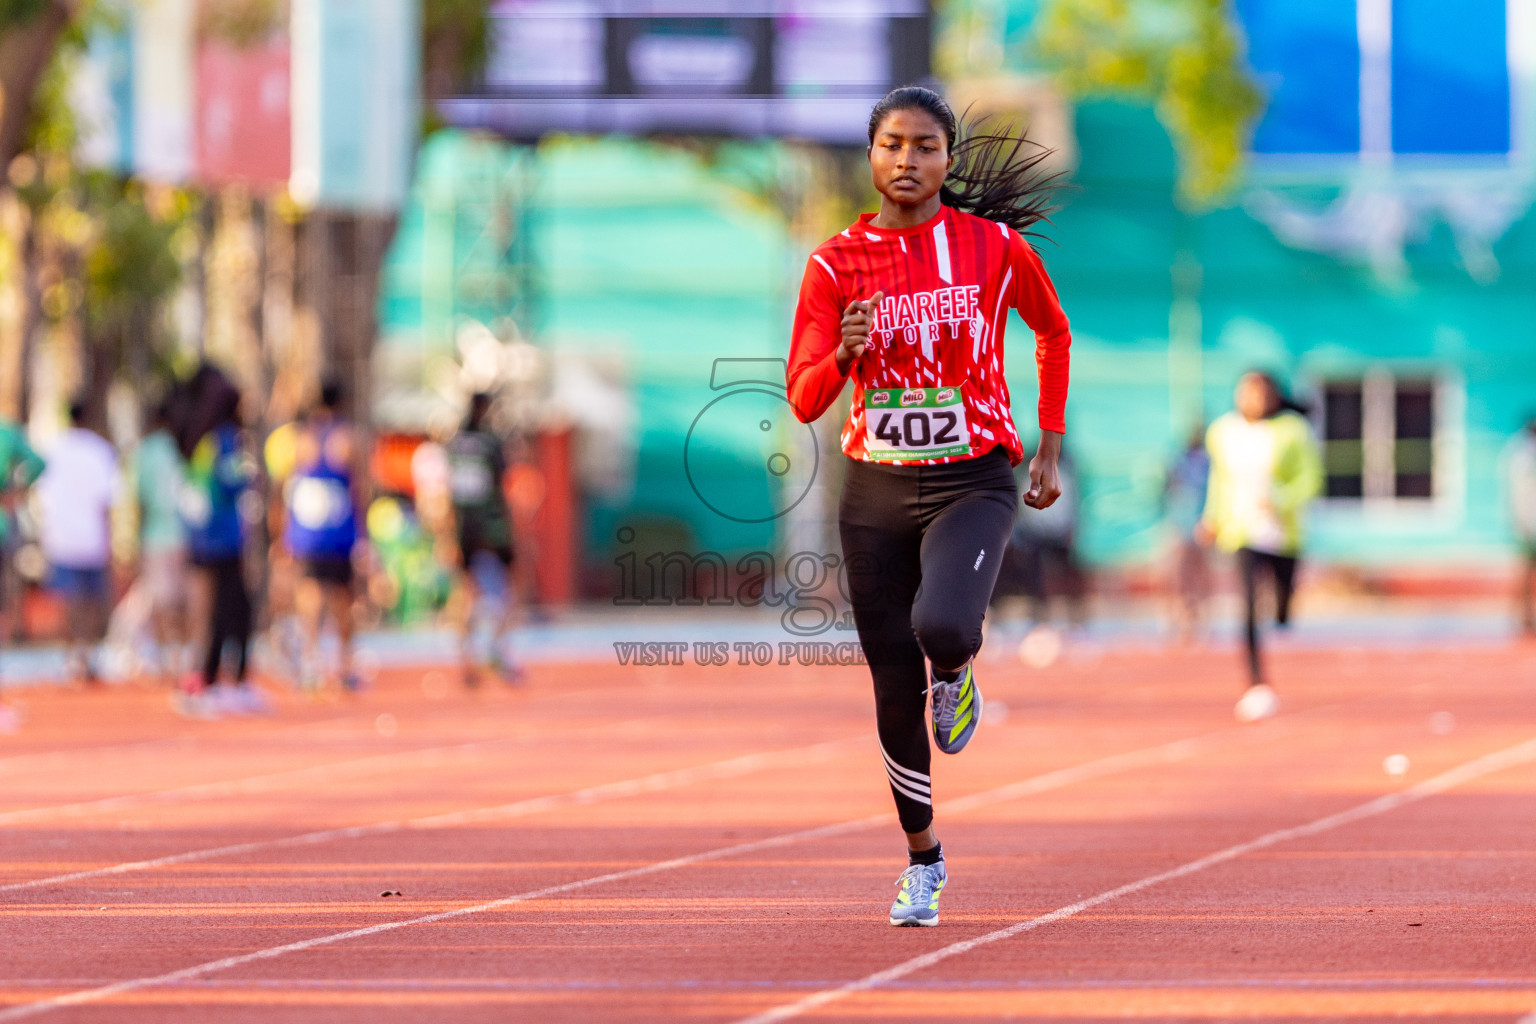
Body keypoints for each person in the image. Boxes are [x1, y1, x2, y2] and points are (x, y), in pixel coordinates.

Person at [786, 86, 1070, 927]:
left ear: (949, 159)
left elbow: (1050, 332)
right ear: (871, 156)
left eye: (925, 146)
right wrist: (844, 352)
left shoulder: (992, 247)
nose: (907, 160)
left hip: (973, 478)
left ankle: (959, 672)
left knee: (944, 626)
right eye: (892, 145)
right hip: (873, 488)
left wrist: (1047, 442)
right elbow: (803, 399)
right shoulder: (834, 265)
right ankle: (923, 859)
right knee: (887, 683)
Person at [1198, 372, 1321, 722]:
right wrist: (1211, 517)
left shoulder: (1293, 431)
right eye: (1246, 392)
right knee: (1249, 606)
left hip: (1283, 533)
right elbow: (1219, 478)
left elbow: (1311, 480)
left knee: (1281, 609)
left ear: (1273, 397)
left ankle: (1283, 609)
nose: (1252, 399)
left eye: (1260, 393)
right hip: (1242, 531)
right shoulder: (1222, 432)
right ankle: (1256, 683)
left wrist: (1282, 501)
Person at [176, 369, 265, 716]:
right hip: (224, 538)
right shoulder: (227, 439)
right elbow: (231, 482)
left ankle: (213, 678)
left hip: (205, 538)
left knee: (218, 610)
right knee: (236, 610)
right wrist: (249, 476)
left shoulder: (204, 439)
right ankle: (227, 681)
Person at [280, 381, 362, 691]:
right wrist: (362, 534)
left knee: (310, 595)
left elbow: (289, 487)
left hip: (307, 531)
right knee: (342, 598)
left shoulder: (302, 439)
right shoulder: (347, 438)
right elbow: (358, 489)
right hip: (338, 530)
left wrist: (284, 532)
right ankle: (343, 664)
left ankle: (312, 664)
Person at [35, 401, 119, 683]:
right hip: (92, 536)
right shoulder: (100, 450)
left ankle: (72, 656)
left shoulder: (53, 449)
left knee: (68, 599)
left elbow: (43, 494)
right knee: (91, 600)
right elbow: (106, 501)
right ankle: (87, 654)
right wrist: (110, 539)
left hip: (61, 536)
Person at [446, 392, 522, 687]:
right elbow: (502, 488)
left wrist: (448, 534)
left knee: (466, 594)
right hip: (491, 526)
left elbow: (449, 492)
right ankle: (496, 647)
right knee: (513, 589)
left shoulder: (454, 444)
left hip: (463, 526)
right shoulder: (491, 444)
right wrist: (512, 528)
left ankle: (466, 658)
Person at [113, 398, 190, 681]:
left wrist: (130, 541)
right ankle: (177, 655)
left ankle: (160, 656)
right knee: (178, 600)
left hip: (155, 536)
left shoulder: (144, 452)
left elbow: (137, 500)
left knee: (160, 598)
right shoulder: (184, 447)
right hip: (183, 535)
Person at [1163, 424, 1213, 642]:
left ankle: (1199, 621)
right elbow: (1168, 490)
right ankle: (1180, 620)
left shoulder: (1209, 463)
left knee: (1199, 577)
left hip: (1201, 524)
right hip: (1181, 525)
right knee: (1179, 577)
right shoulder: (1178, 461)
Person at [0, 415, 45, 645]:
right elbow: (38, 462)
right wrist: (18, 489)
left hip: (6, 520)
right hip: (6, 517)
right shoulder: (8, 432)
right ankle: (12, 634)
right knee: (10, 577)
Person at [1506, 414, 1536, 635]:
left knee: (1526, 573)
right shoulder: (1523, 454)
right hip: (1528, 525)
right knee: (1526, 572)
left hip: (1527, 524)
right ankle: (1523, 618)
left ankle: (1525, 618)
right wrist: (1522, 524)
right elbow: (1519, 495)